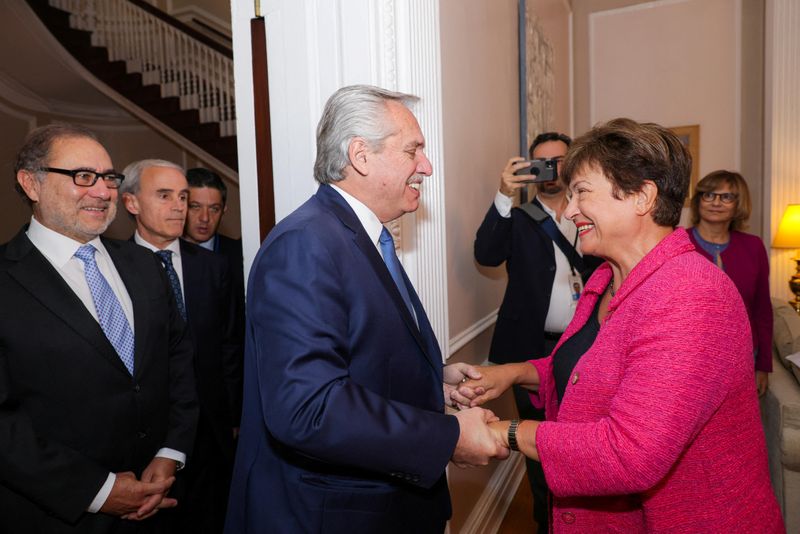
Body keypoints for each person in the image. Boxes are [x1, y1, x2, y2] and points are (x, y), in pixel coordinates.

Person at [456, 118, 783, 532]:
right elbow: (586, 372)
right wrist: (512, 373)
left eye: (581, 193)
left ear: (642, 196)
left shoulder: (691, 295)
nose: (571, 210)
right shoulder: (606, 279)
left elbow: (629, 454)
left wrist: (505, 432)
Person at [225, 85, 508, 534]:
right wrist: (449, 436)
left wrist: (432, 382)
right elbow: (309, 408)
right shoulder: (306, 244)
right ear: (360, 155)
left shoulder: (357, 235)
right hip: (334, 514)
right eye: (413, 150)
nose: (426, 167)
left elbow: (356, 355)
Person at [0, 124, 198, 533]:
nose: (103, 192)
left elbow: (178, 364)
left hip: (162, 501)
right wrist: (98, 490)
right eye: (82, 177)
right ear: (30, 184)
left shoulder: (145, 266)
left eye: (108, 178)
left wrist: (170, 452)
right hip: (54, 514)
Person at [474, 132, 601, 532]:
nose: (551, 169)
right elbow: (486, 255)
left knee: (584, 436)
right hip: (530, 350)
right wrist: (503, 195)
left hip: (587, 347)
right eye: (541, 162)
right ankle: (546, 521)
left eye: (559, 160)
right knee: (536, 443)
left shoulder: (593, 212)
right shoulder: (519, 218)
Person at [120, 159, 243, 534]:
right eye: (165, 196)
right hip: (146, 432)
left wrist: (235, 416)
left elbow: (231, 346)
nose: (178, 207)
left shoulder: (213, 267)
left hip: (211, 429)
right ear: (131, 204)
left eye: (183, 197)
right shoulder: (113, 268)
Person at [688, 170, 772, 396]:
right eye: (708, 195)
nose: (716, 202)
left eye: (726, 197)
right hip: (690, 356)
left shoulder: (753, 247)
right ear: (698, 201)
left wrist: (763, 365)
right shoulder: (678, 243)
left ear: (738, 204)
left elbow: (762, 309)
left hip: (743, 355)